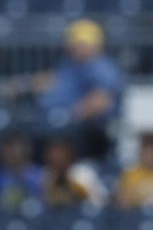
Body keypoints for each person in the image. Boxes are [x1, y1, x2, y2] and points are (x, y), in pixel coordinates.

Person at [38, 19, 125, 159]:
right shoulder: (70, 64)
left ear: (97, 45)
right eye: (76, 44)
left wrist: (68, 117)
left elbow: (101, 100)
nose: (80, 48)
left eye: (84, 44)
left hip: (89, 128)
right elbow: (51, 80)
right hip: (59, 123)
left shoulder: (102, 68)